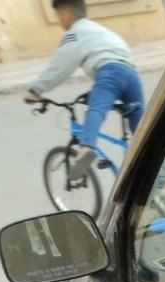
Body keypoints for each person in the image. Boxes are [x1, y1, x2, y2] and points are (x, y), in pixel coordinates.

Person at [22, 0, 144, 182]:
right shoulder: (99, 30)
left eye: (57, 16)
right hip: (131, 73)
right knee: (142, 127)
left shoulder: (75, 34)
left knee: (96, 109)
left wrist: (35, 91)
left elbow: (59, 68)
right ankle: (157, 153)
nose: (58, 21)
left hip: (109, 71)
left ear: (65, 14)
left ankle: (86, 147)